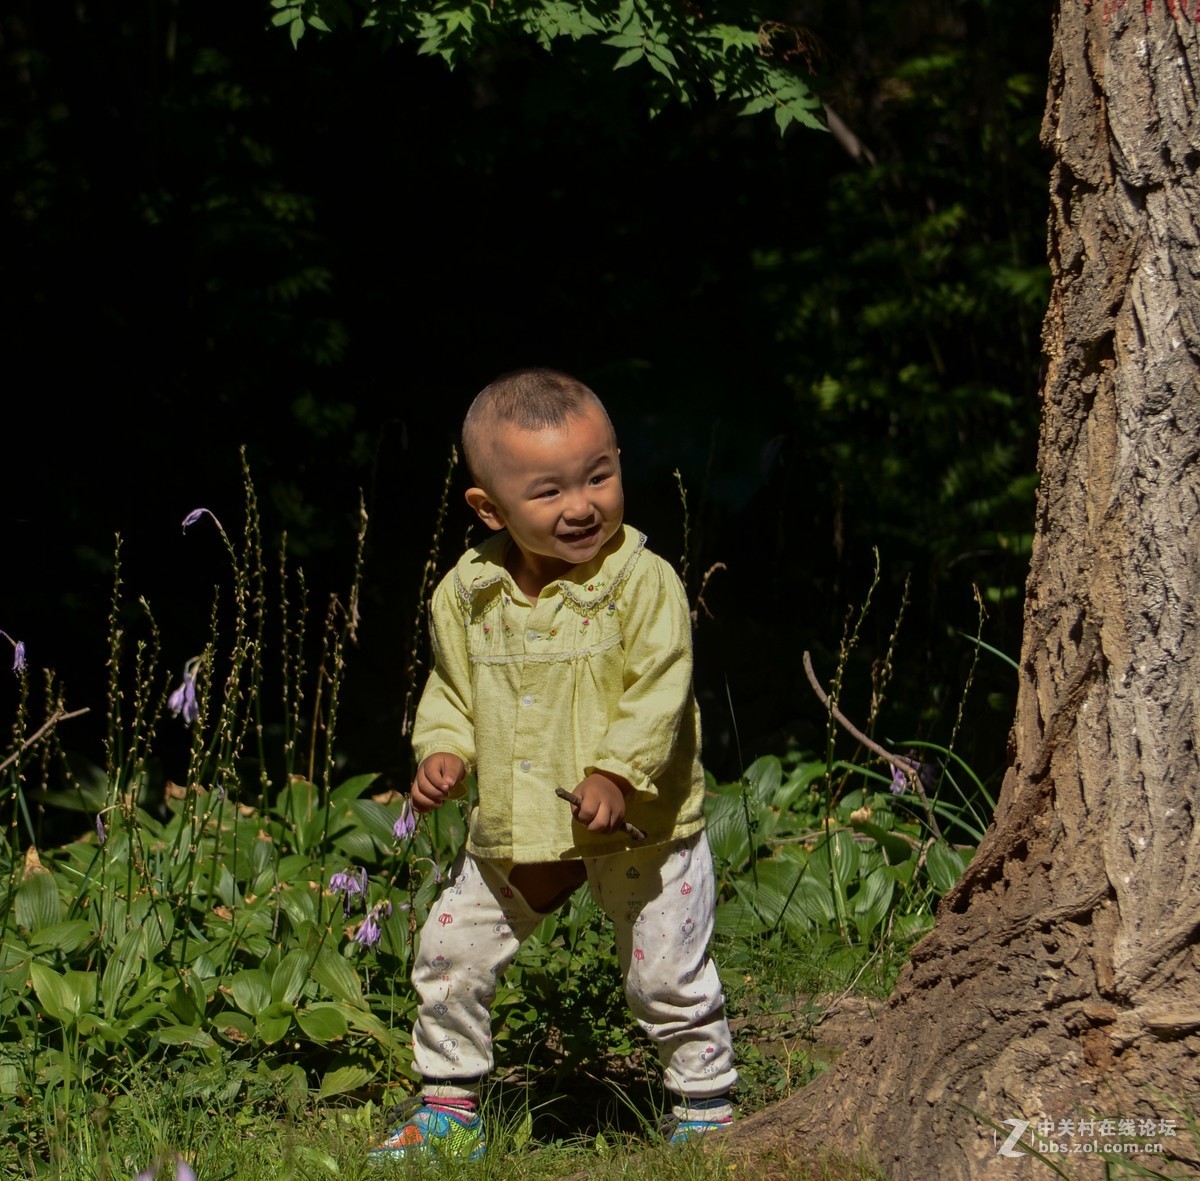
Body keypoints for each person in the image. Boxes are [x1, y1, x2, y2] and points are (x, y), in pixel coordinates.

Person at [370, 368, 737, 1163]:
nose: (582, 505)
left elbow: (660, 688)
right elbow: (452, 690)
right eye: (549, 491)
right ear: (489, 508)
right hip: (522, 821)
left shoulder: (641, 583)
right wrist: (443, 751)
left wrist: (617, 773)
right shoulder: (467, 594)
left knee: (664, 974)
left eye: (598, 476)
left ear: (617, 461)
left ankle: (706, 1105)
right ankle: (449, 1109)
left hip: (643, 827)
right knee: (449, 950)